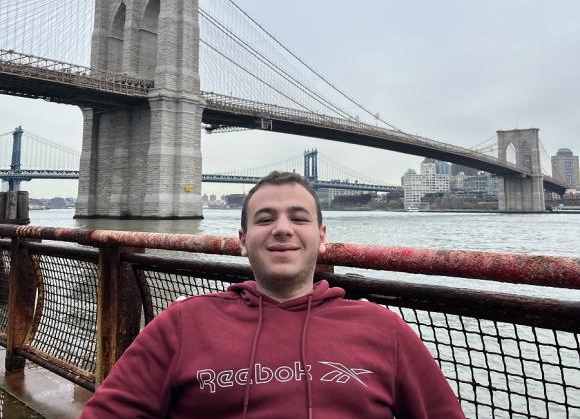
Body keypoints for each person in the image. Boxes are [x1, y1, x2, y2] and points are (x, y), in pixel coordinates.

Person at [81, 171, 465, 418]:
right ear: (243, 242)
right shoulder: (182, 325)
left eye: (299, 218)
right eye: (265, 220)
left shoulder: (384, 330)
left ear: (322, 237)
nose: (282, 229)